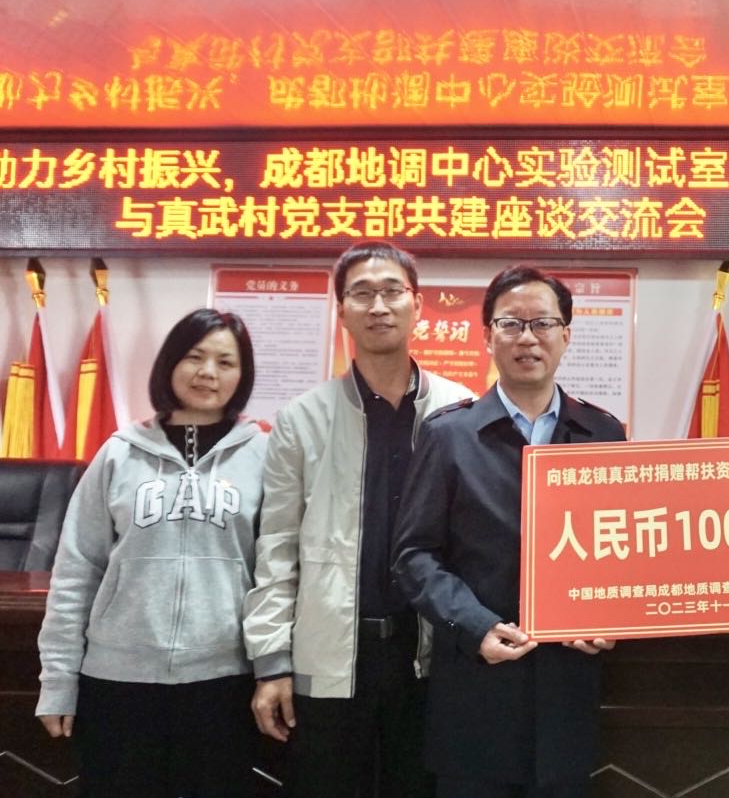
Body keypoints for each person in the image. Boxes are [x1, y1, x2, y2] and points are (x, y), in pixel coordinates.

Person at [242, 242, 473, 798]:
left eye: (392, 291)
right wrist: (271, 662)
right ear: (341, 310)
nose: (379, 306)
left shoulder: (461, 409)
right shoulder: (302, 418)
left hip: (429, 657)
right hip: (330, 656)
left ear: (418, 305)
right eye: (362, 294)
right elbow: (277, 547)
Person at [392, 264, 626, 798]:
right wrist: (475, 625)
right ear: (487, 336)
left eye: (542, 323)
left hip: (568, 687)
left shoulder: (602, 433)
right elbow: (414, 555)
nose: (527, 338)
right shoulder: (450, 435)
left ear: (566, 335)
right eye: (511, 324)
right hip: (476, 687)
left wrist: (610, 617)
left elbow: (624, 550)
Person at [35, 308, 265, 798]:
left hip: (223, 681)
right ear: (170, 363)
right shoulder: (119, 453)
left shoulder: (264, 455)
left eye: (226, 362)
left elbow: (277, 575)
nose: (208, 372)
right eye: (194, 357)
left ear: (242, 376)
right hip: (118, 681)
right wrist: (58, 680)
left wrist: (273, 669)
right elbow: (76, 570)